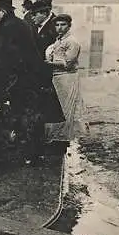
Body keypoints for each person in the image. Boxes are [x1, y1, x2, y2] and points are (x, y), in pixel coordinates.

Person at [0, 0, 64, 166]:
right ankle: (34, 154)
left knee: (23, 117)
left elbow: (6, 59)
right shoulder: (24, 24)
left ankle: (28, 155)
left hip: (20, 81)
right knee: (32, 117)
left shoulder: (6, 28)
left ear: (3, 11)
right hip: (32, 78)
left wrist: (3, 82)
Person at [44, 14, 88, 142]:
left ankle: (65, 134)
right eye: (57, 25)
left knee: (66, 106)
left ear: (69, 26)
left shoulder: (72, 42)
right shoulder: (59, 41)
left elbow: (68, 63)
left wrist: (49, 64)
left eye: (63, 25)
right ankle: (58, 133)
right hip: (57, 77)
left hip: (67, 77)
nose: (59, 28)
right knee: (57, 105)